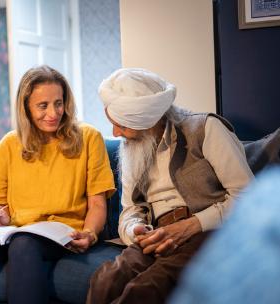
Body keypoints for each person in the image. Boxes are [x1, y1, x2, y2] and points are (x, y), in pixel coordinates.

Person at [86, 68, 253, 304]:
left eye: (121, 126)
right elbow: (130, 210)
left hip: (205, 233)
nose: (115, 133)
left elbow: (249, 198)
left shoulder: (206, 129)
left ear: (146, 120)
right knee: (105, 281)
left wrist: (190, 225)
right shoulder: (130, 147)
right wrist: (135, 230)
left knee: (144, 288)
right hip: (156, 234)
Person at [0, 65, 116, 304]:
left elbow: (98, 204)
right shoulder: (9, 144)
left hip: (63, 232)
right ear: (26, 108)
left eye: (58, 103)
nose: (53, 113)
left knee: (24, 244)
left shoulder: (89, 137)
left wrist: (90, 234)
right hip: (15, 230)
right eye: (43, 106)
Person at [169, 166, 280, 304]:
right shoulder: (141, 157)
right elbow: (134, 208)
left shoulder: (270, 191)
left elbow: (243, 192)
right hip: (150, 232)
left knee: (145, 285)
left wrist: (193, 225)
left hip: (200, 228)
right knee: (133, 266)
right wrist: (135, 227)